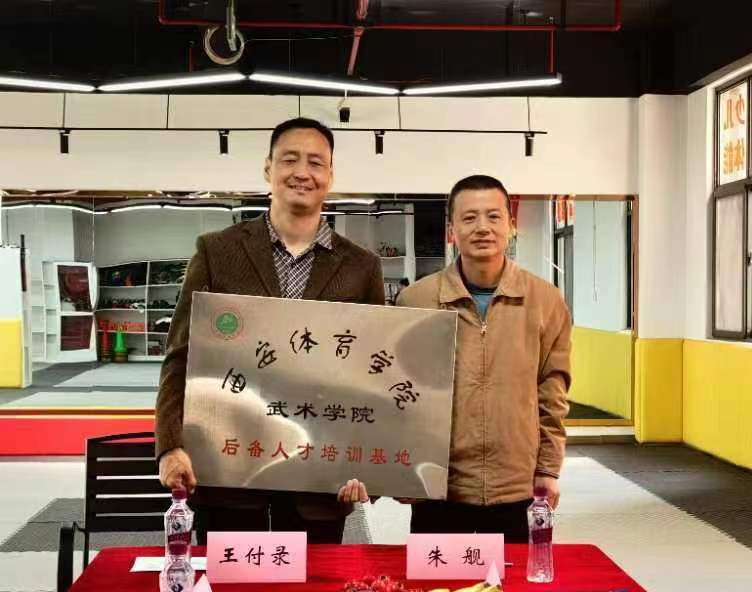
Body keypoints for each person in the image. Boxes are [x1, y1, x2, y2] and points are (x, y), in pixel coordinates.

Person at [155, 117, 383, 543]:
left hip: (322, 474)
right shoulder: (217, 251)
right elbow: (180, 356)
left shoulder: (361, 267)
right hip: (227, 466)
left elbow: (371, 376)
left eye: (316, 162)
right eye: (290, 159)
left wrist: (370, 461)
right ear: (268, 168)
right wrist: (169, 445)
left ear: (330, 175)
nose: (302, 172)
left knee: (313, 581)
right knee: (234, 576)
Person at [396, 175, 571, 542]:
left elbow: (552, 393)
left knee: (513, 578)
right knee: (438, 579)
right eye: (469, 217)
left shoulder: (545, 300)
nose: (482, 228)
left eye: (493, 216)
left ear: (511, 224)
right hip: (439, 486)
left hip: (517, 485)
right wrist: (405, 470)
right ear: (452, 229)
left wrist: (549, 469)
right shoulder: (416, 301)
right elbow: (401, 395)